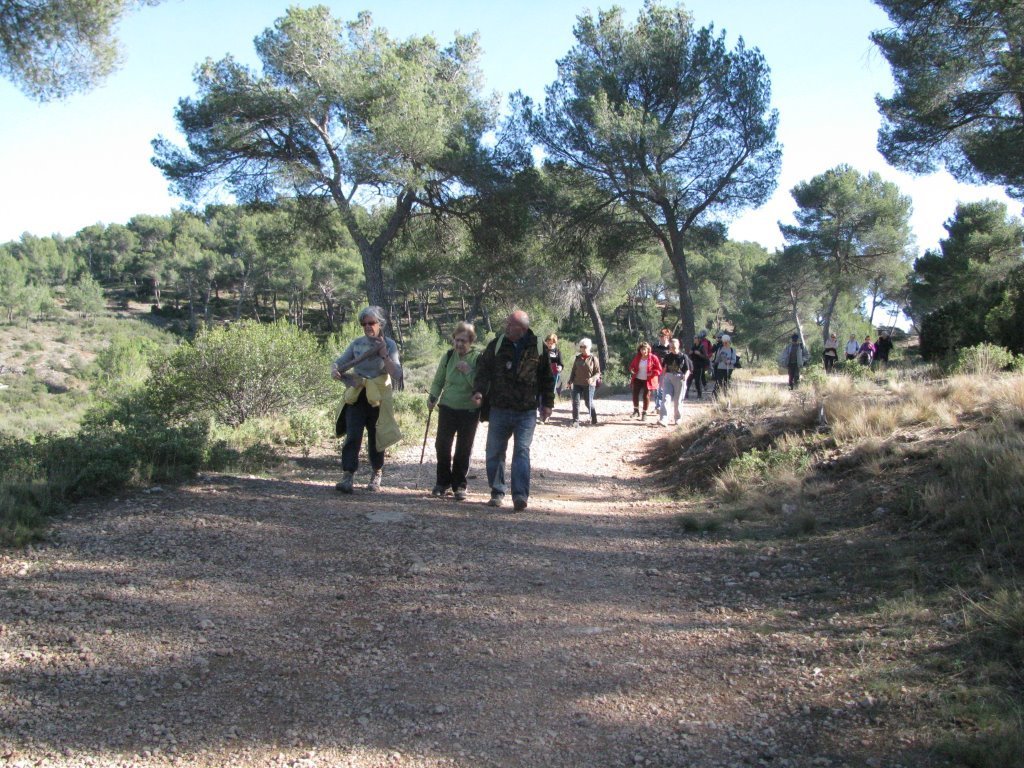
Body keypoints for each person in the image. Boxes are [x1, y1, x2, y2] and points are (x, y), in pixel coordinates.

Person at [471, 310, 554, 512]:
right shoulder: (498, 343)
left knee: (521, 452)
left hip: (526, 411)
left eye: (511, 325)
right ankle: (497, 492)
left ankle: (520, 496)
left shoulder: (538, 347)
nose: (506, 327)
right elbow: (483, 369)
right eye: (507, 324)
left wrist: (547, 404)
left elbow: (547, 378)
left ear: (523, 329)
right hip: (499, 408)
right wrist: (479, 392)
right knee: (494, 452)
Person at [331, 306, 403, 493]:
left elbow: (397, 373)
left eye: (371, 323)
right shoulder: (357, 344)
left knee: (375, 436)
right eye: (364, 324)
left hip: (378, 396)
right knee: (353, 435)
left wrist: (384, 355)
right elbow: (340, 362)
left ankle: (376, 473)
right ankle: (348, 476)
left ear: (380, 324)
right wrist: (335, 368)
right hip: (358, 394)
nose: (367, 327)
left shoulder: (390, 344)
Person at [427, 322, 480, 501]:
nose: (459, 344)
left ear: (471, 341)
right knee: (442, 445)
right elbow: (438, 380)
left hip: (469, 410)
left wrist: (468, 371)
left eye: (463, 341)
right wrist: (433, 397)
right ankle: (442, 482)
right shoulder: (448, 356)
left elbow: (480, 385)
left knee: (463, 448)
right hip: (448, 406)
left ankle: (459, 485)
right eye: (457, 340)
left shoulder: (477, 358)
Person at [566, 337, 601, 427]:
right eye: (581, 346)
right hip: (577, 383)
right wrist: (570, 381)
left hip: (589, 384)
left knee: (588, 402)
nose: (582, 348)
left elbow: (598, 373)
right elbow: (573, 371)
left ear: (589, 347)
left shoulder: (593, 358)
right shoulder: (577, 358)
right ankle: (575, 421)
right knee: (575, 401)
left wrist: (592, 379)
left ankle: (593, 417)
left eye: (584, 346)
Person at [658, 338, 692, 426]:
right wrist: (661, 380)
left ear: (678, 345)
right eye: (670, 346)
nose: (672, 348)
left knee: (678, 400)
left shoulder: (683, 356)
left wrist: (685, 377)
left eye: (673, 346)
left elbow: (688, 370)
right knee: (665, 398)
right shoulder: (667, 356)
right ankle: (663, 419)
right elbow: (664, 368)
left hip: (680, 378)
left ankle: (678, 419)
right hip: (668, 378)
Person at [628, 341, 663, 420]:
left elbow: (659, 369)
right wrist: (632, 370)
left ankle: (644, 412)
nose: (643, 351)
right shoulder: (638, 357)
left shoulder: (653, 357)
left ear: (648, 349)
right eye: (641, 349)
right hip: (638, 378)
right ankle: (636, 411)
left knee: (646, 396)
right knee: (635, 395)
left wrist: (652, 373)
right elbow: (631, 366)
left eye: (644, 349)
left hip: (648, 380)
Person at [540, 333, 563, 422]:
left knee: (549, 395)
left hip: (553, 376)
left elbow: (561, 364)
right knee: (541, 395)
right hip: (542, 375)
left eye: (551, 343)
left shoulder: (558, 352)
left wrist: (560, 367)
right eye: (548, 342)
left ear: (555, 343)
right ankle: (542, 413)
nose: (549, 344)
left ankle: (547, 413)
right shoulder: (542, 351)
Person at [651, 328, 672, 413]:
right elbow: (651, 357)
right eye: (660, 335)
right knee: (656, 388)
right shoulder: (655, 346)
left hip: (666, 370)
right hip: (656, 369)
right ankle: (657, 406)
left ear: (667, 336)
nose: (660, 337)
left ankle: (661, 406)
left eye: (662, 335)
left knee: (663, 388)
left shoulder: (671, 346)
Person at [710, 334, 738, 398]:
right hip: (720, 368)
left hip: (729, 369)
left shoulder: (732, 350)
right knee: (718, 382)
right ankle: (715, 396)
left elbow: (734, 360)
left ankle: (725, 396)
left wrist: (729, 361)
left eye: (726, 342)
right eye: (723, 342)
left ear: (729, 342)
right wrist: (715, 362)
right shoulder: (720, 349)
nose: (725, 343)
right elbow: (717, 359)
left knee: (726, 383)